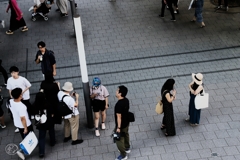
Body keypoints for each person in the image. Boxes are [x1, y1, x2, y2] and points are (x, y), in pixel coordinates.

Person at [7, 66, 32, 133]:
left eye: (14, 73)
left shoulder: (22, 79)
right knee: (17, 112)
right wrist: (11, 97)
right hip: (15, 98)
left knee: (26, 109)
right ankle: (20, 126)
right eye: (11, 73)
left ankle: (28, 119)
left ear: (18, 72)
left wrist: (22, 92)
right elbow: (9, 89)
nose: (13, 74)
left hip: (24, 97)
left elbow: (29, 85)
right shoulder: (9, 80)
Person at [33, 91, 56, 158]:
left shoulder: (34, 105)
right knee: (51, 131)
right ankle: (52, 142)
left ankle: (41, 152)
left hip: (41, 123)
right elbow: (52, 112)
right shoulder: (48, 104)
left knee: (41, 137)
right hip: (49, 121)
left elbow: (33, 113)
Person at [114, 85, 131, 160]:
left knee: (119, 139)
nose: (116, 91)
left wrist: (118, 128)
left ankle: (123, 155)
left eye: (117, 91)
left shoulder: (118, 105)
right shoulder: (126, 100)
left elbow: (119, 117)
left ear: (120, 94)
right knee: (126, 134)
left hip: (121, 125)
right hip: (126, 122)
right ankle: (127, 147)